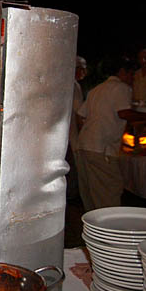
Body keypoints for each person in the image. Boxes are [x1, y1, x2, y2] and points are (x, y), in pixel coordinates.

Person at [76, 57, 146, 212]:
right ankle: (109, 230)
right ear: (122, 72)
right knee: (109, 191)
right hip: (100, 149)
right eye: (131, 74)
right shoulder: (121, 88)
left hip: (84, 145)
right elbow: (124, 113)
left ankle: (95, 228)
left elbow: (81, 115)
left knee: (91, 193)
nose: (133, 78)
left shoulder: (97, 89)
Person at [65, 56, 87, 199]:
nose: (83, 72)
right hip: (71, 134)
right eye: (81, 68)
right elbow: (80, 112)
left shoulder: (67, 83)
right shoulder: (73, 85)